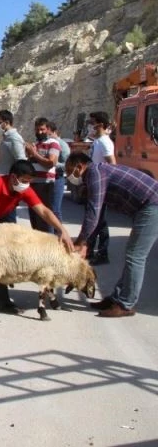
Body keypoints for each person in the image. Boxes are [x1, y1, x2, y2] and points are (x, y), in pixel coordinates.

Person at [0, 159, 73, 309]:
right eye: (24, 181)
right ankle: (2, 301)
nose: (27, 185)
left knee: (2, 254)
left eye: (30, 181)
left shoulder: (23, 189)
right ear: (13, 177)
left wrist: (61, 230)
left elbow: (43, 211)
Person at [66, 153, 158, 317]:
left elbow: (94, 212)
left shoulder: (95, 173)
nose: (68, 176)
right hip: (146, 206)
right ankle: (117, 298)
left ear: (79, 166)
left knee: (135, 256)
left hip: (153, 204)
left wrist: (80, 242)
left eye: (69, 171)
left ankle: (125, 304)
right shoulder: (92, 177)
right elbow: (98, 214)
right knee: (133, 254)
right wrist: (86, 243)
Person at [85, 111, 116, 265]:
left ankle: (98, 253)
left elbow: (112, 164)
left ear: (101, 125)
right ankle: (94, 251)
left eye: (92, 122)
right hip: (95, 184)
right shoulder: (97, 141)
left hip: (101, 185)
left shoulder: (105, 142)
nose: (90, 125)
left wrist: (109, 184)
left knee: (98, 220)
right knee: (98, 220)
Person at [24, 117, 60, 233]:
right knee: (34, 217)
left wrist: (34, 154)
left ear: (48, 129)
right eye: (37, 130)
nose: (39, 132)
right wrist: (30, 156)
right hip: (33, 184)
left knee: (44, 218)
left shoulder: (53, 144)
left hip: (45, 185)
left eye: (42, 129)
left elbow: (50, 163)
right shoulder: (36, 144)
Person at [0, 109, 26, 223]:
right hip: (1, 183)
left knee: (8, 220)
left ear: (6, 122)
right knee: (3, 218)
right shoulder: (6, 137)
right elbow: (9, 159)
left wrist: (13, 183)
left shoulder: (14, 138)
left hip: (7, 185)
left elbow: (20, 161)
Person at [47, 122, 71, 223]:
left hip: (57, 179)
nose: (47, 136)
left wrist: (52, 163)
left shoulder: (62, 145)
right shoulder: (46, 143)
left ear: (55, 132)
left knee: (55, 209)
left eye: (49, 134)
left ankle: (60, 234)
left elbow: (67, 165)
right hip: (47, 179)